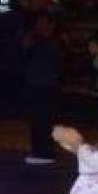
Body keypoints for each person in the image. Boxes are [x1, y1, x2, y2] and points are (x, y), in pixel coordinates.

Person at [20, 15, 64, 165]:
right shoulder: (34, 40)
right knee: (36, 119)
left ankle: (45, 152)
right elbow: (24, 57)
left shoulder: (55, 41)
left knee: (44, 119)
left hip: (47, 85)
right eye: (38, 23)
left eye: (42, 23)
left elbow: (57, 60)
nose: (39, 26)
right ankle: (38, 150)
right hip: (34, 83)